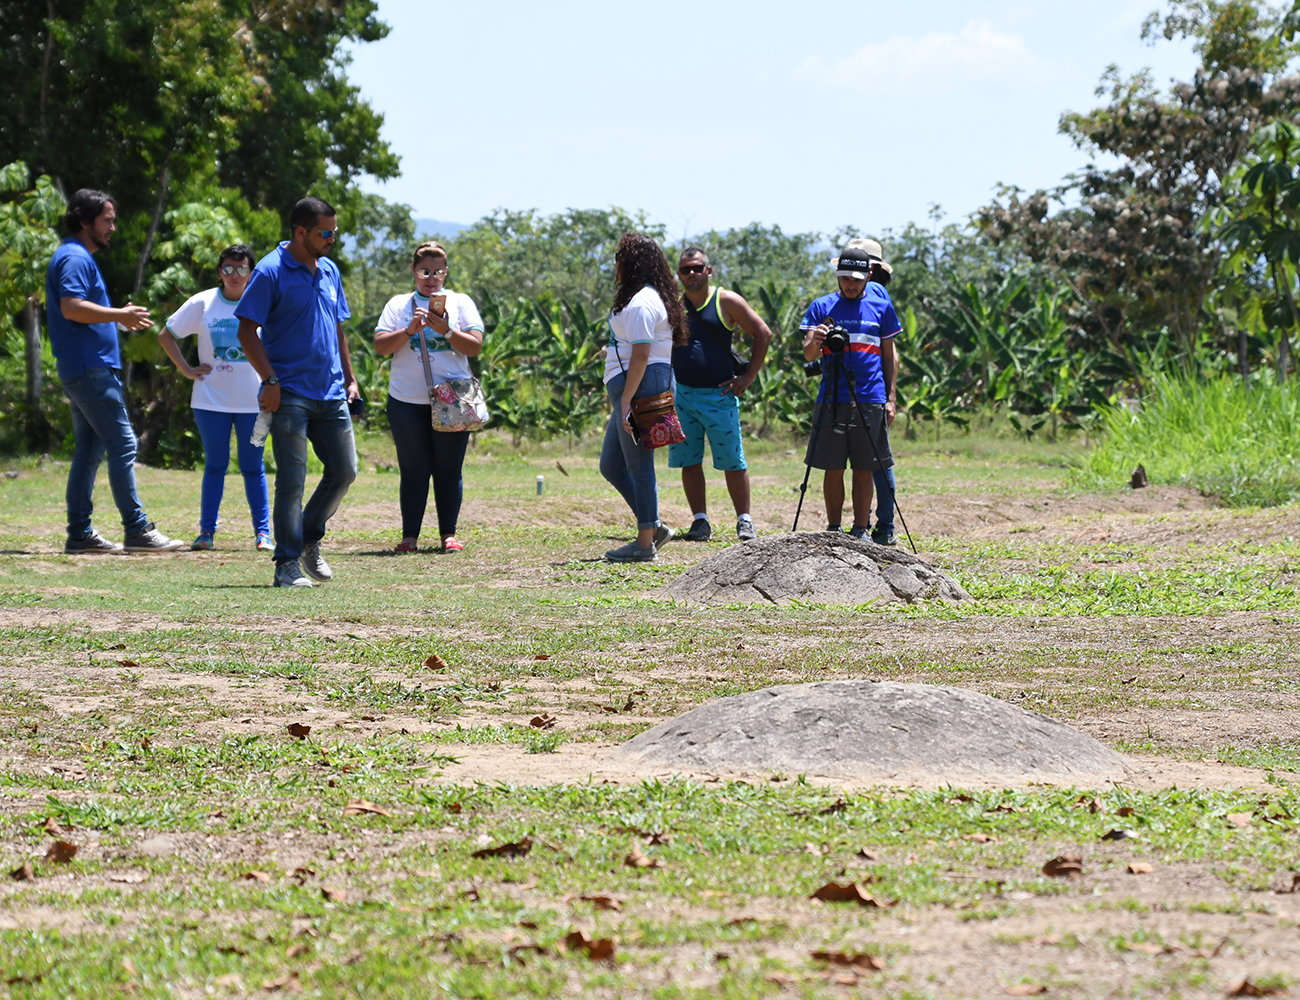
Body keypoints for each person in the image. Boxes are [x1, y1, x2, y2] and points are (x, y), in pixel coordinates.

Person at [46, 188, 184, 554]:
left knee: (90, 450)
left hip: (83, 366)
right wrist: (119, 315)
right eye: (107, 220)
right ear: (83, 221)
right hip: (91, 369)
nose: (113, 227)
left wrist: (117, 323)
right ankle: (137, 529)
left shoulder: (74, 256)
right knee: (123, 443)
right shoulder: (74, 258)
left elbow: (82, 313)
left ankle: (80, 534)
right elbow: (72, 307)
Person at [235, 196, 360, 588]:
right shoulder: (270, 271)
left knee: (344, 471)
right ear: (301, 231)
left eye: (335, 232)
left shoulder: (330, 270)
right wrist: (270, 381)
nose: (332, 240)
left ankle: (307, 538)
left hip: (332, 390)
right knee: (292, 479)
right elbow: (246, 331)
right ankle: (286, 563)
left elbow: (338, 329)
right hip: (289, 393)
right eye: (325, 233)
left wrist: (351, 378)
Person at [158, 244, 272, 552]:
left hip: (255, 402)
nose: (235, 275)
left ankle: (263, 535)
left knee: (253, 466)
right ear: (220, 271)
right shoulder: (202, 302)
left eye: (242, 269)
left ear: (252, 272)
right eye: (228, 268)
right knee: (216, 465)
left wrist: (273, 381)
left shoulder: (262, 302)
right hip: (210, 400)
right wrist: (187, 370)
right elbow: (166, 334)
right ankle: (206, 533)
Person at [373, 241, 484, 553]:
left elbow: (474, 346)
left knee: (449, 470)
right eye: (424, 271)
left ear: (446, 273)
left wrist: (447, 330)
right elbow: (381, 346)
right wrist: (408, 331)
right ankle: (410, 537)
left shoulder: (461, 303)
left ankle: (448, 535)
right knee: (413, 469)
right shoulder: (398, 305)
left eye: (437, 271)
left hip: (453, 399)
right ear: (413, 271)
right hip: (407, 400)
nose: (431, 277)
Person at [670, 247, 773, 543]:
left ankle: (744, 521)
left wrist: (749, 376)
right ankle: (699, 521)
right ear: (678, 274)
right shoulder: (674, 305)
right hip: (683, 397)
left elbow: (762, 332)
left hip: (719, 395)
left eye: (697, 268)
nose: (692, 274)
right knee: (689, 460)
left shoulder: (725, 300)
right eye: (686, 269)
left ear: (709, 270)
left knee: (732, 460)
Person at [800, 242, 900, 538]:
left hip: (870, 397)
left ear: (869, 275)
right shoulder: (821, 306)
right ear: (837, 276)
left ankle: (860, 529)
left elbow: (888, 354)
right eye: (844, 278)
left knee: (864, 467)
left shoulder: (881, 307)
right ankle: (834, 528)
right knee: (833, 467)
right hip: (832, 397)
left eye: (856, 280)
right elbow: (807, 355)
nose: (850, 285)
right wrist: (816, 339)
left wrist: (891, 397)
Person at [599, 232, 688, 563]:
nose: (615, 264)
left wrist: (627, 400)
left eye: (619, 257)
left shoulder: (640, 303)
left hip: (638, 387)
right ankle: (653, 525)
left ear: (631, 263)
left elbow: (641, 355)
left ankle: (644, 542)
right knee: (612, 465)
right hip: (635, 386)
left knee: (638, 465)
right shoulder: (648, 298)